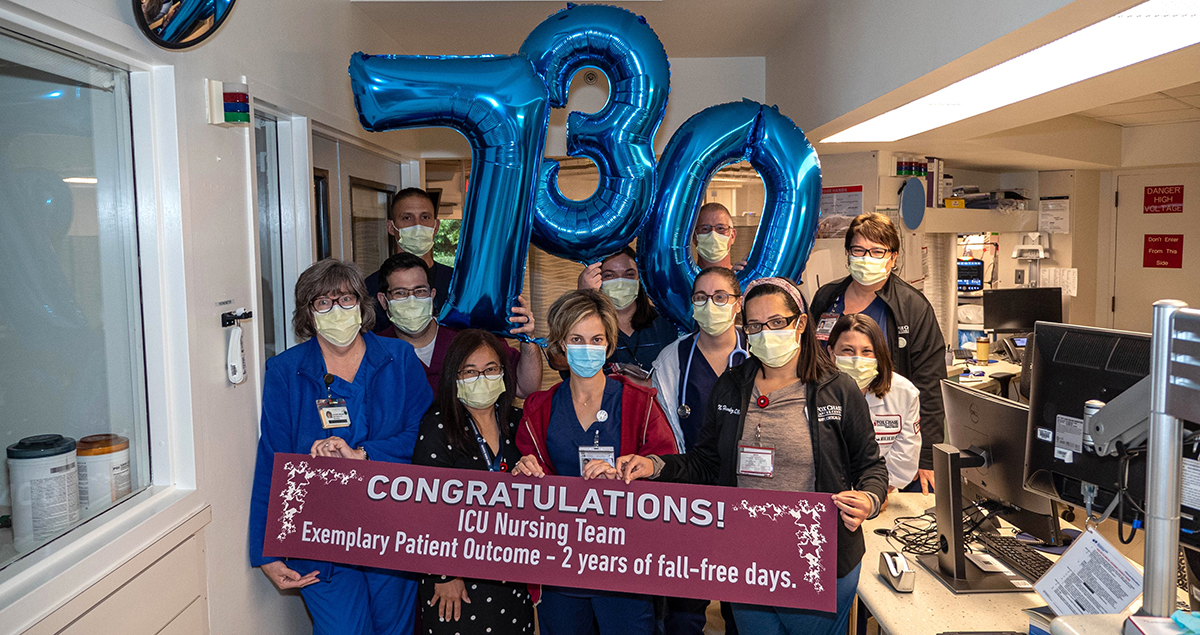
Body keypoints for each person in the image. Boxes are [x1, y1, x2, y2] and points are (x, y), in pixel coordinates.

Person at [617, 277, 887, 635]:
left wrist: (869, 498)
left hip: (818, 557)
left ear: (800, 324)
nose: (765, 334)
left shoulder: (836, 389)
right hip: (749, 557)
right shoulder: (731, 386)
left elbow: (871, 466)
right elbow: (706, 462)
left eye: (777, 323)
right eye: (755, 326)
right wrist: (654, 465)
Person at [249, 258, 432, 635]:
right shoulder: (286, 371)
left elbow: (426, 437)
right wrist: (266, 551)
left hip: (391, 526)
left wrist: (365, 454)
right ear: (308, 313)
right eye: (323, 302)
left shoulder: (399, 360)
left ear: (362, 305)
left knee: (393, 629)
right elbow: (273, 460)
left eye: (346, 300)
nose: (337, 310)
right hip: (320, 535)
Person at [512, 289, 677, 635]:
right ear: (559, 344)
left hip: (626, 563)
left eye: (596, 339)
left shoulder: (639, 403)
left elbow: (669, 469)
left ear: (609, 344)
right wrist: (522, 472)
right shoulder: (538, 409)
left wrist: (634, 472)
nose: (587, 348)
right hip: (561, 563)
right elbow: (521, 476)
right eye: (576, 339)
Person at [809, 212, 946, 495]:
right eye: (858, 250)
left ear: (892, 257)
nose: (866, 258)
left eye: (877, 251)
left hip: (889, 431)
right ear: (847, 254)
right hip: (828, 424)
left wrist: (926, 457)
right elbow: (809, 359)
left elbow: (930, 384)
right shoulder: (826, 298)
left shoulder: (912, 306)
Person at [412, 329, 534, 634]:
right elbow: (424, 510)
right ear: (454, 376)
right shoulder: (438, 426)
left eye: (491, 369)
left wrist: (534, 474)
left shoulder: (517, 424)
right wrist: (444, 575)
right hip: (457, 580)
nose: (482, 378)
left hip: (510, 572)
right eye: (470, 371)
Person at [649, 266, 748, 635]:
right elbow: (665, 433)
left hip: (747, 495)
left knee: (744, 602)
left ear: (737, 304)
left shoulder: (760, 352)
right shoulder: (672, 359)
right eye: (701, 298)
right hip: (692, 497)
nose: (711, 305)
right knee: (685, 608)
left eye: (721, 297)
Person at [376, 253, 542, 397]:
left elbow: (525, 388)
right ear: (383, 301)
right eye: (400, 293)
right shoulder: (375, 349)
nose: (412, 300)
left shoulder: (467, 335)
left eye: (420, 291)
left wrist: (528, 339)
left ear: (432, 295)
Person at [828, 314, 922, 492]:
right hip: (831, 491)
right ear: (832, 353)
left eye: (866, 351)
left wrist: (877, 492)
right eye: (848, 350)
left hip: (884, 489)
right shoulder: (815, 392)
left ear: (879, 354)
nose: (857, 359)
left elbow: (905, 454)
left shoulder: (904, 392)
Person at [577, 247, 680, 374]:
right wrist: (584, 299)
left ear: (640, 279)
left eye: (629, 274)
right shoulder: (589, 325)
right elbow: (560, 361)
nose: (620, 282)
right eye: (609, 275)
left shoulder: (664, 322)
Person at [365, 188, 454, 332]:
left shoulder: (457, 284)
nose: (417, 225)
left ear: (436, 226)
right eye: (407, 218)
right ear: (391, 227)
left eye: (425, 217)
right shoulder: (370, 289)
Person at [693, 203, 737, 269]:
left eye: (720, 228)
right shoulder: (680, 278)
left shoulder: (744, 278)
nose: (713, 234)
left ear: (732, 236)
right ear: (694, 237)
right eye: (705, 229)